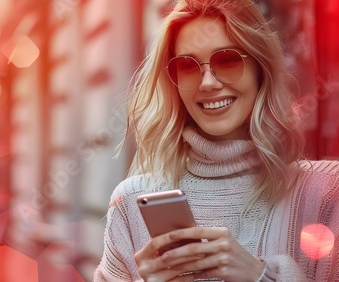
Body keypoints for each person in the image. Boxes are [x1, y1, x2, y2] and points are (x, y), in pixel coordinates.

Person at [93, 0, 339, 281]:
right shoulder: (130, 202)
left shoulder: (327, 193)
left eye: (228, 59)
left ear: (260, 69)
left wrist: (260, 276)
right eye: (187, 65)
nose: (207, 82)